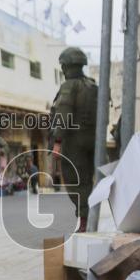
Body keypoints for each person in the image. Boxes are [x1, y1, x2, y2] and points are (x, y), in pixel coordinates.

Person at [49, 47, 97, 233]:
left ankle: (84, 221)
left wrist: (57, 142)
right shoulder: (92, 85)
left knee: (75, 181)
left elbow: (64, 114)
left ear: (65, 67)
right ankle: (88, 217)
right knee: (87, 180)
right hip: (92, 139)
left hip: (73, 141)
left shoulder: (69, 86)